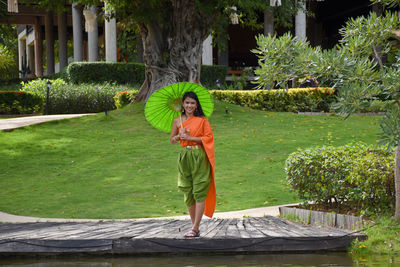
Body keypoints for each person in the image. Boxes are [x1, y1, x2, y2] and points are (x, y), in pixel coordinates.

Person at [170, 91, 216, 238]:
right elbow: (172, 140)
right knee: (187, 191)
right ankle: (194, 227)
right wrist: (179, 136)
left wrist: (189, 137)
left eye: (192, 103)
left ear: (196, 105)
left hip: (199, 156)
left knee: (199, 190)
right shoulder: (177, 121)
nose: (189, 105)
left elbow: (208, 138)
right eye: (187, 102)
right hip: (184, 157)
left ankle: (195, 228)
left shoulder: (202, 120)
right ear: (183, 104)